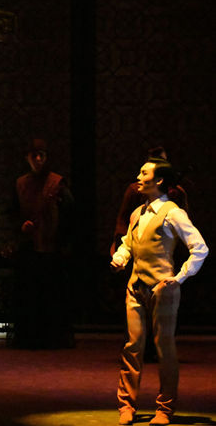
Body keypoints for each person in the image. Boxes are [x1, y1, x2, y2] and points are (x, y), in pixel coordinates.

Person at [111, 157, 208, 426]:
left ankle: (165, 408)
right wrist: (121, 257)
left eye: (144, 173)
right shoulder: (137, 213)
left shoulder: (173, 213)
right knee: (132, 346)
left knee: (165, 348)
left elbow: (200, 248)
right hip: (135, 287)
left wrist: (179, 277)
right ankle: (126, 405)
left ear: (159, 180)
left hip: (162, 289)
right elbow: (128, 243)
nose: (138, 177)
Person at [7, 138, 75, 349]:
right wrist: (21, 225)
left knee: (51, 295)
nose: (38, 159)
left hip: (51, 249)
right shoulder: (20, 184)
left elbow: (70, 215)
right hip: (28, 249)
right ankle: (29, 337)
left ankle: (52, 338)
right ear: (27, 158)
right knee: (29, 295)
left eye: (41, 155)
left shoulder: (57, 183)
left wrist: (61, 240)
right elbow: (11, 212)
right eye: (34, 155)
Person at [111, 147, 188, 256]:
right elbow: (124, 222)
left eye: (161, 160)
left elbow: (185, 232)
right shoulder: (135, 192)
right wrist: (120, 249)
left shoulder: (176, 194)